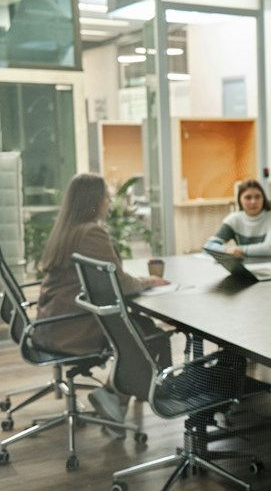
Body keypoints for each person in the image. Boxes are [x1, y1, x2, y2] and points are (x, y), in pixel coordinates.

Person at [34, 173, 171, 438]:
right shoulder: (92, 232)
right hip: (71, 327)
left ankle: (114, 399)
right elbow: (120, 283)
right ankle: (114, 396)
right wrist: (149, 281)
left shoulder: (66, 230)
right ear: (94, 200)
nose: (109, 201)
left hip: (53, 322)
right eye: (106, 196)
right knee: (146, 336)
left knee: (140, 328)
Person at [204, 179, 271, 258]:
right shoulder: (234, 219)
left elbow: (269, 249)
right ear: (240, 200)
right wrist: (226, 250)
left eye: (258, 197)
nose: (253, 201)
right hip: (246, 265)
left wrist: (239, 250)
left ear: (263, 199)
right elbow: (209, 246)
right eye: (248, 197)